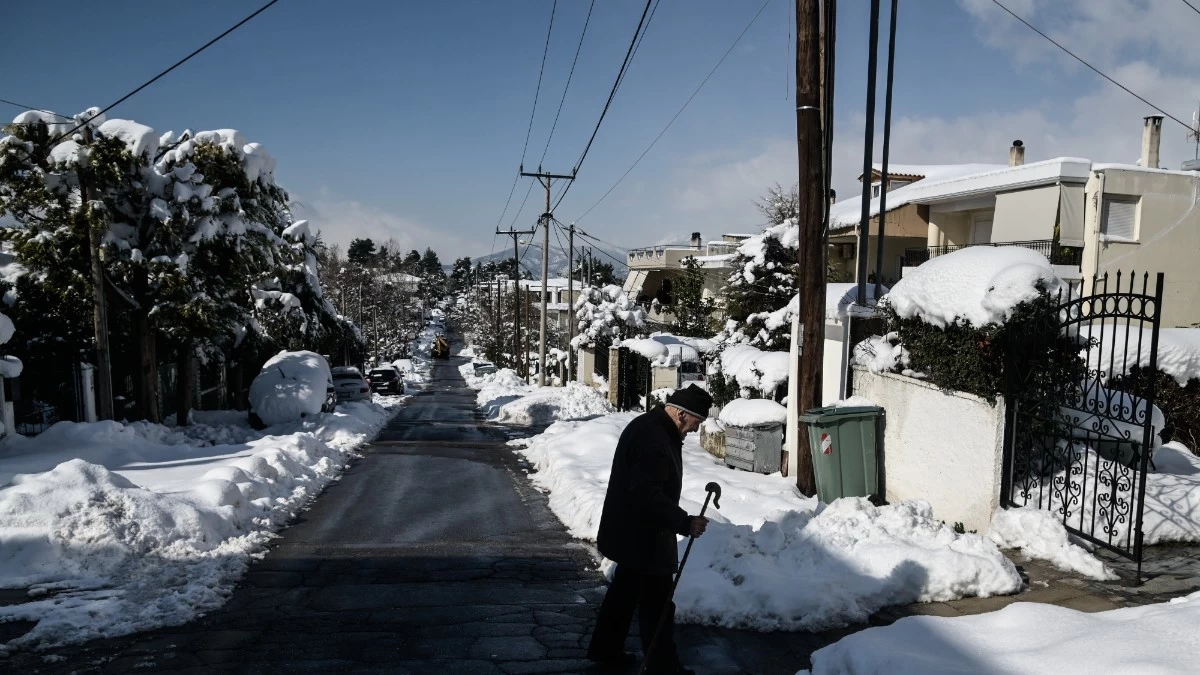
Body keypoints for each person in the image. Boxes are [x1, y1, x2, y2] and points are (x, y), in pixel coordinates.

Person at [586, 385, 714, 675]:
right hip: (644, 536)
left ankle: (606, 652)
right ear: (682, 414)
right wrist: (684, 522)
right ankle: (663, 668)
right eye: (697, 422)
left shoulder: (654, 428)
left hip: (635, 531)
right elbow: (645, 493)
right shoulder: (654, 437)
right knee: (657, 605)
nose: (695, 430)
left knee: (624, 594)